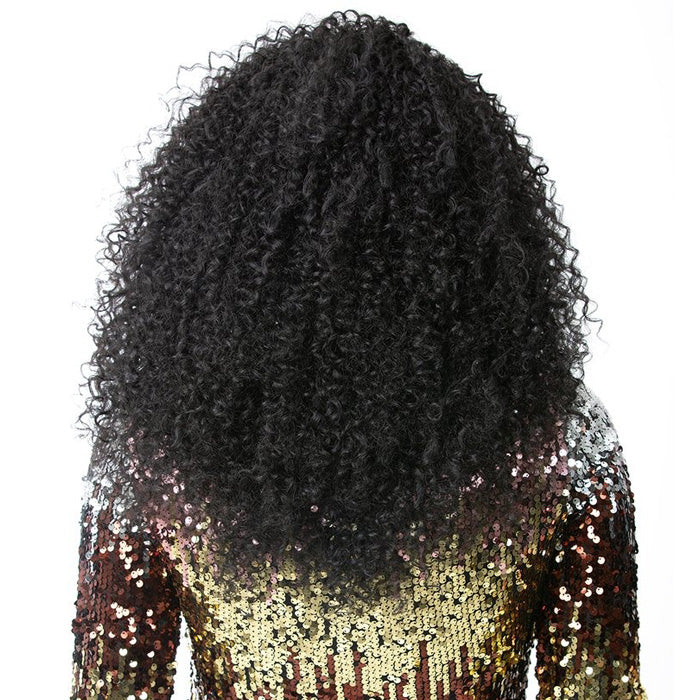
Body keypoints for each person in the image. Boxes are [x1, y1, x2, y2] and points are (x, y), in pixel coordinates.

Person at [68, 10, 648, 700]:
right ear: (477, 232)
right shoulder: (565, 442)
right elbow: (598, 684)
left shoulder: (153, 450)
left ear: (215, 233)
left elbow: (112, 686)